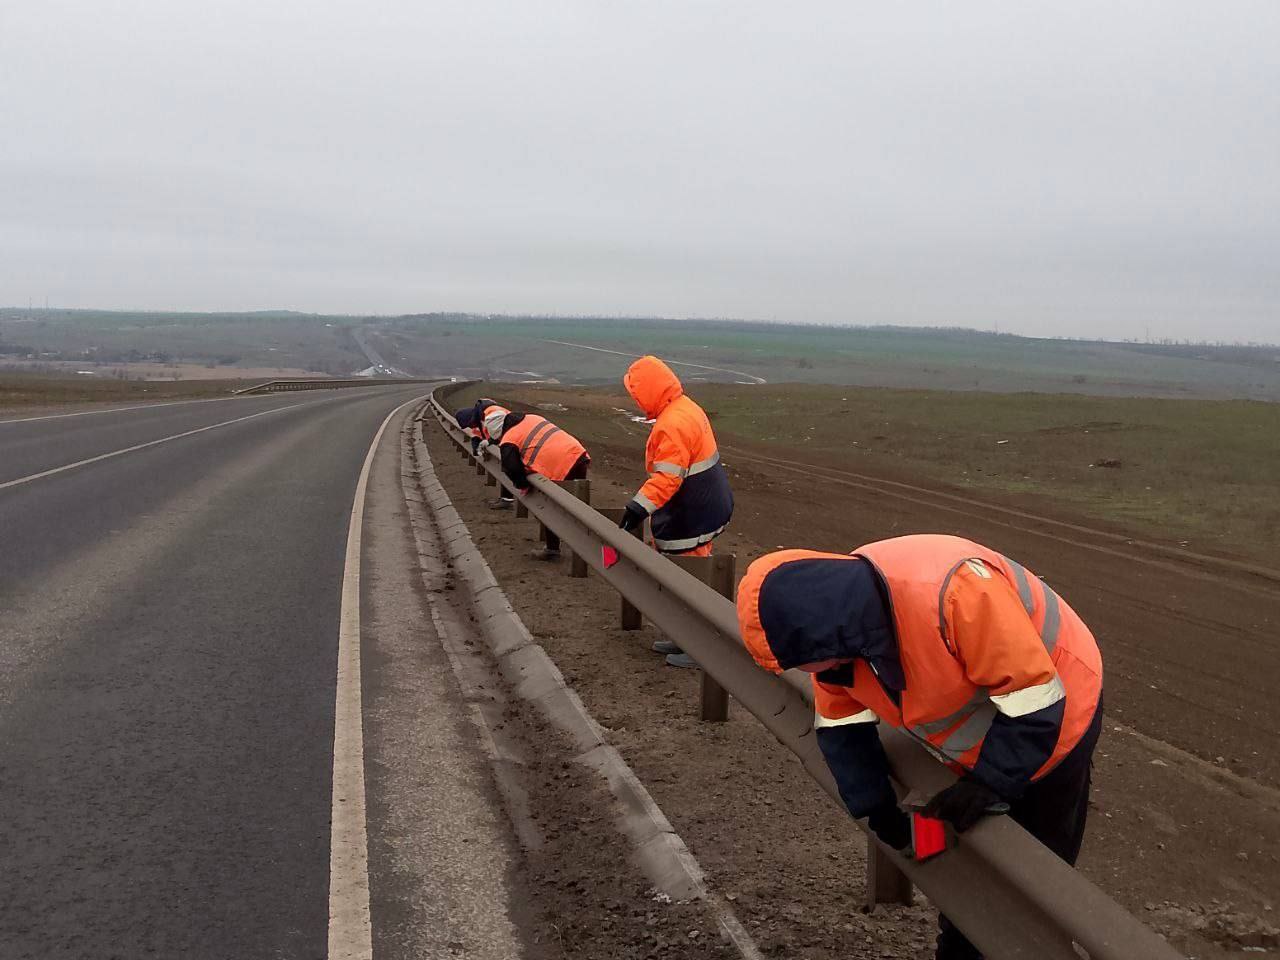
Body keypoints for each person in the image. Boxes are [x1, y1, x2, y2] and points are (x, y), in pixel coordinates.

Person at [736, 535, 1103, 960]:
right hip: (981, 729)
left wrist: (991, 783)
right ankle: (962, 945)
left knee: (1036, 868)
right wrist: (877, 807)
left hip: (1059, 703)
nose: (799, 671)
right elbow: (843, 725)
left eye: (798, 660)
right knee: (965, 859)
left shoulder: (955, 593)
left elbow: (1035, 701)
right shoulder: (840, 631)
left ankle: (1037, 944)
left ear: (824, 636)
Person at [617, 355, 734, 668]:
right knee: (684, 574)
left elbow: (668, 476)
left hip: (692, 509)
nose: (636, 401)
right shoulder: (683, 407)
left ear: (649, 390)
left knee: (690, 579)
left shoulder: (673, 423)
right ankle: (685, 638)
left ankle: (699, 648)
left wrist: (637, 507)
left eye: (636, 394)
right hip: (701, 503)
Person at [483, 407, 590, 562]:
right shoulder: (530, 418)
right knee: (576, 507)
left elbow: (511, 468)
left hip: (559, 466)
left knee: (549, 508)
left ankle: (552, 549)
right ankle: (584, 545)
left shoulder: (509, 439)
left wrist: (523, 486)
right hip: (578, 455)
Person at [468, 398, 514, 509]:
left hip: (510, 441)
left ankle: (507, 499)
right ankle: (505, 498)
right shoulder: (485, 412)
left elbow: (497, 431)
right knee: (507, 467)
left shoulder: (491, 414)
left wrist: (489, 442)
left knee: (509, 467)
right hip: (508, 440)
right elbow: (478, 433)